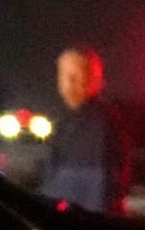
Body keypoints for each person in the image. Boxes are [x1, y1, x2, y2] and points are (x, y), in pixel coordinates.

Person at [41, 46, 131, 214]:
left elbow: (97, 192)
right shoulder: (65, 122)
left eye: (76, 75)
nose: (68, 83)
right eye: (63, 74)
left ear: (94, 80)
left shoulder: (100, 123)